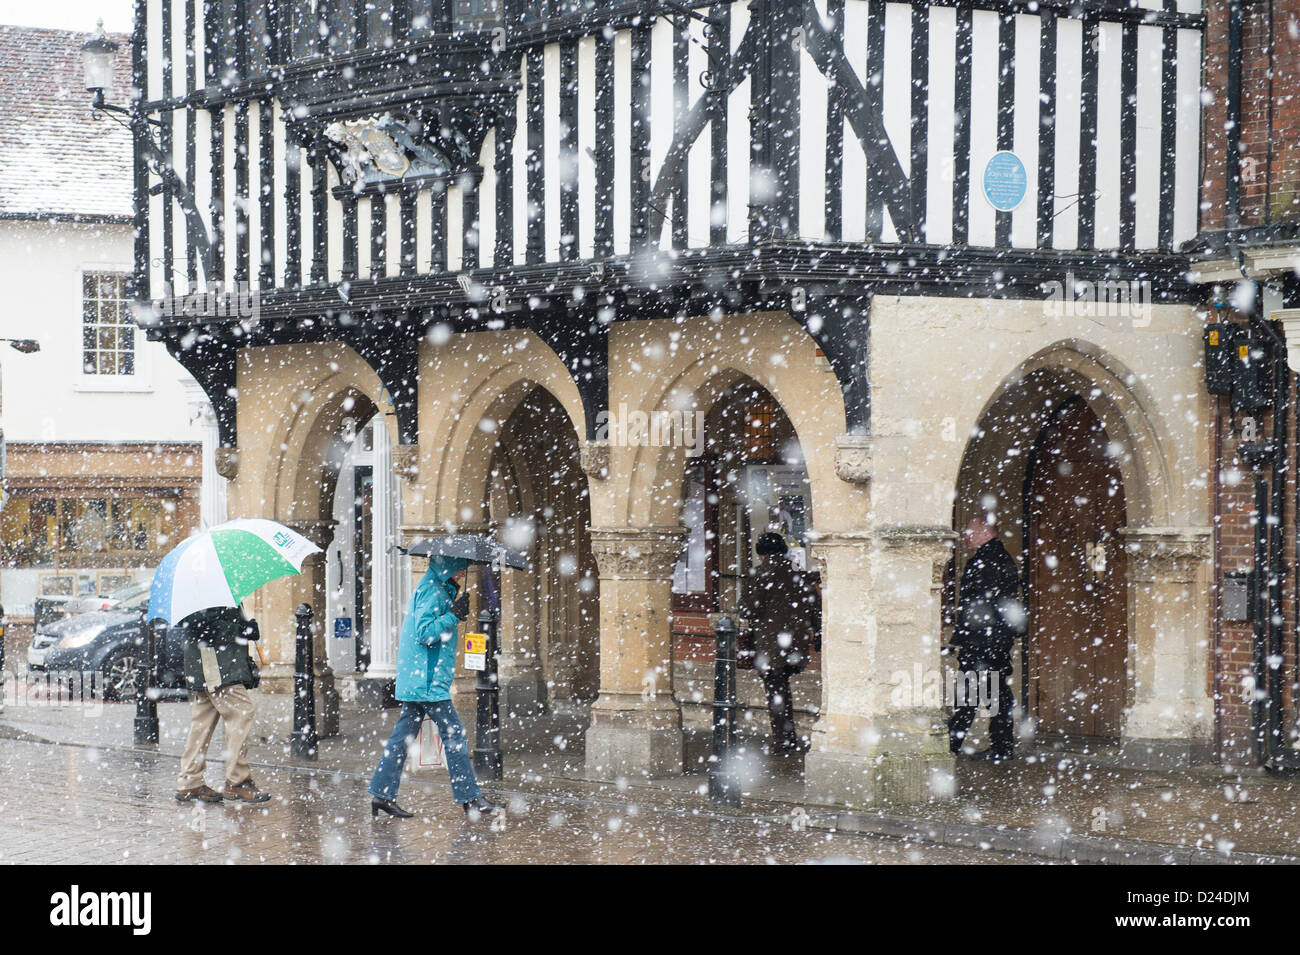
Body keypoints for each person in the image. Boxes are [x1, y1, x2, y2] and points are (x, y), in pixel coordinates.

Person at [368, 555, 502, 819]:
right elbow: (424, 633)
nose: (463, 573)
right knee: (455, 734)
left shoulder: (435, 586)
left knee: (402, 737)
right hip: (426, 681)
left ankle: (381, 794)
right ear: (448, 566)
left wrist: (451, 611)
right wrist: (452, 615)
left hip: (420, 678)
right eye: (460, 568)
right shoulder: (434, 590)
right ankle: (470, 798)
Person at [947, 515, 1024, 761]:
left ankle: (952, 744)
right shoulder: (994, 558)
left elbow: (982, 606)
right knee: (992, 692)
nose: (966, 537)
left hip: (984, 641)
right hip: (990, 640)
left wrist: (973, 637)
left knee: (974, 693)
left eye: (970, 531)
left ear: (985, 531)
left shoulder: (988, 561)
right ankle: (1000, 746)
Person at [175, 605, 270, 803]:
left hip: (211, 663)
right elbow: (201, 625)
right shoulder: (207, 586)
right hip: (217, 664)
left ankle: (189, 781)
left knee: (202, 723)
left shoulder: (210, 587)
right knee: (241, 713)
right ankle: (238, 781)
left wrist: (243, 626)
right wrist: (240, 629)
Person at [738, 532, 821, 755]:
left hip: (769, 643)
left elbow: (748, 609)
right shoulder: (797, 572)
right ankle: (788, 736)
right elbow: (814, 605)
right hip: (796, 642)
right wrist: (816, 632)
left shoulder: (758, 574)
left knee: (776, 691)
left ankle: (783, 739)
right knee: (782, 688)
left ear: (762, 552)